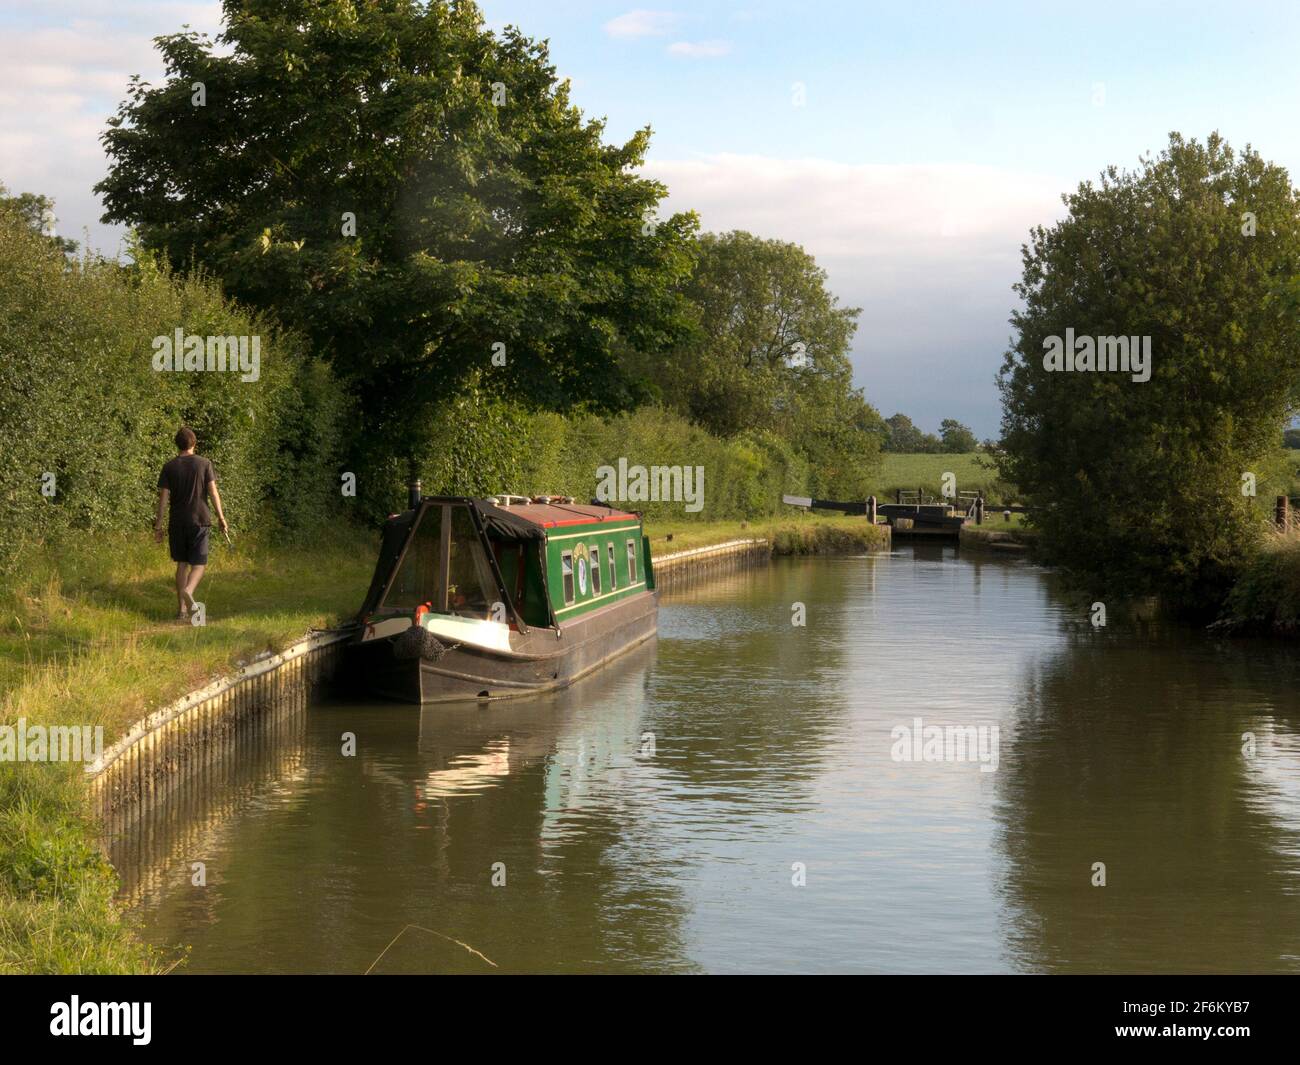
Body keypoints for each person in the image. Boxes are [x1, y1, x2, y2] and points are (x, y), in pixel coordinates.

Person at [154, 427, 229, 621]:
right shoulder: (204, 463)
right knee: (199, 563)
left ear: (177, 444)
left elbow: (163, 498)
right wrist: (221, 517)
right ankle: (189, 590)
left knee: (182, 563)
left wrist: (158, 526)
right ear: (194, 443)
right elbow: (213, 492)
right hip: (200, 520)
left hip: (177, 522)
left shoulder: (169, 467)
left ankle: (182, 611)